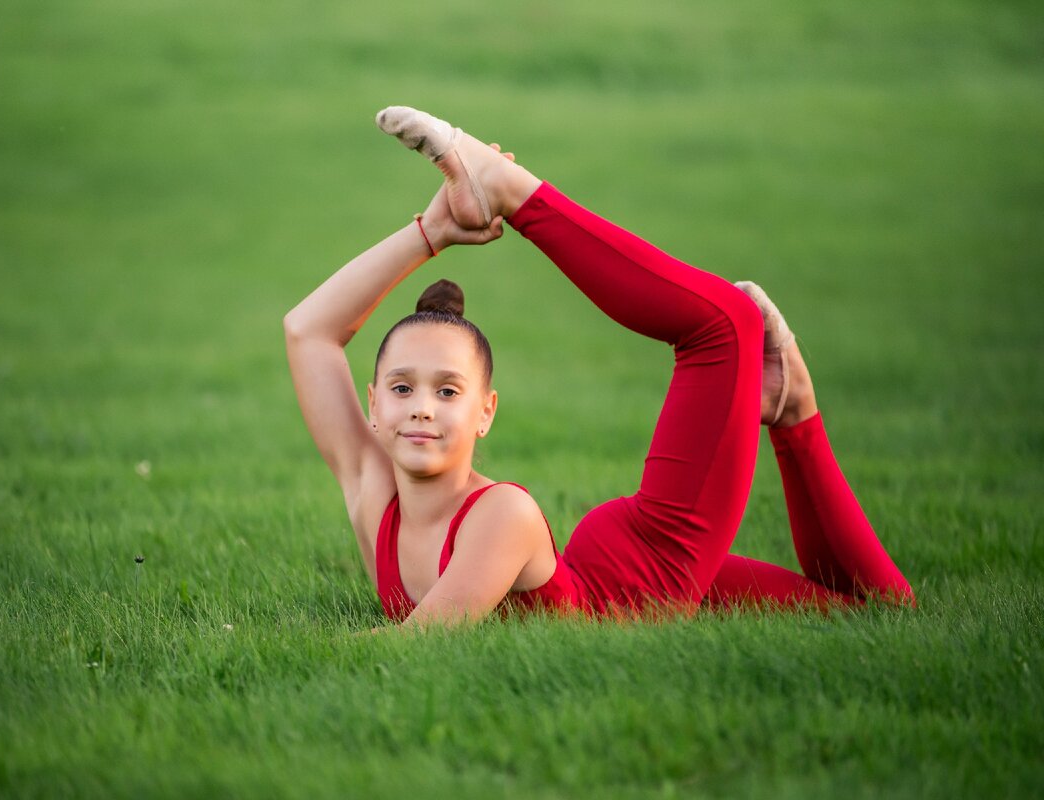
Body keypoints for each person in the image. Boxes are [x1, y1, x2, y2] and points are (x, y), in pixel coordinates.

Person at [284, 106, 914, 628]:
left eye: (447, 390)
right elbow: (307, 332)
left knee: (724, 325)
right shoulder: (374, 496)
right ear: (372, 405)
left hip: (645, 578)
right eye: (402, 387)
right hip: (610, 572)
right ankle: (789, 406)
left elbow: (412, 645)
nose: (421, 405)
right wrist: (432, 231)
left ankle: (512, 191)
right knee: (877, 617)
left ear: (486, 413)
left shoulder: (502, 516)